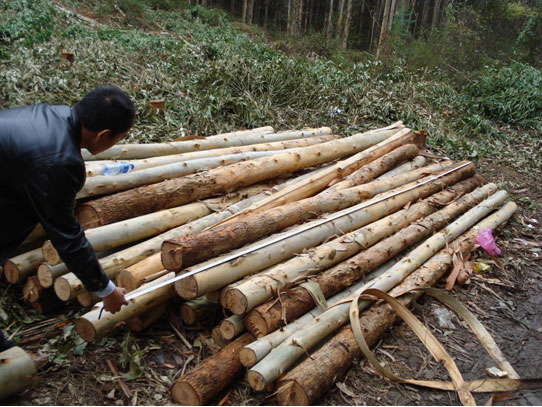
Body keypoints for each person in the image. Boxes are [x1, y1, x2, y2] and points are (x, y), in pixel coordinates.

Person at [0, 86, 135, 351]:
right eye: (118, 138)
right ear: (103, 135)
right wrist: (106, 290)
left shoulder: (54, 114)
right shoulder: (58, 162)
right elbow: (67, 238)